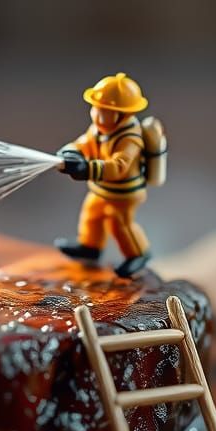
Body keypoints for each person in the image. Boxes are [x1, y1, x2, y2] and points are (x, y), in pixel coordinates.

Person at [56, 73, 153, 279]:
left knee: (119, 224)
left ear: (121, 115)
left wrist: (87, 169)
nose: (97, 115)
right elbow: (84, 142)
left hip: (124, 194)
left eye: (103, 111)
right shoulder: (100, 129)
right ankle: (90, 247)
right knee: (91, 214)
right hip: (101, 189)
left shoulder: (130, 139)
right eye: (95, 109)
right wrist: (72, 152)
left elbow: (119, 166)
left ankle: (138, 254)